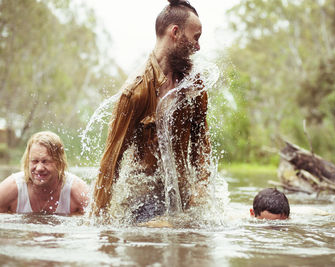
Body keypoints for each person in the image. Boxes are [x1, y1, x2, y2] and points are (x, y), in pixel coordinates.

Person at [92, 0, 211, 221]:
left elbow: (201, 145)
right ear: (175, 32)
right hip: (143, 198)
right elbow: (110, 163)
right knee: (161, 231)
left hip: (182, 196)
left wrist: (202, 188)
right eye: (196, 37)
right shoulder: (135, 92)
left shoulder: (195, 86)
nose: (198, 47)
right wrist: (100, 225)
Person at [0, 131, 89, 214]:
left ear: (59, 162)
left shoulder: (77, 191)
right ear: (28, 161)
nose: (39, 168)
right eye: (34, 161)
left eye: (45, 161)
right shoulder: (11, 189)